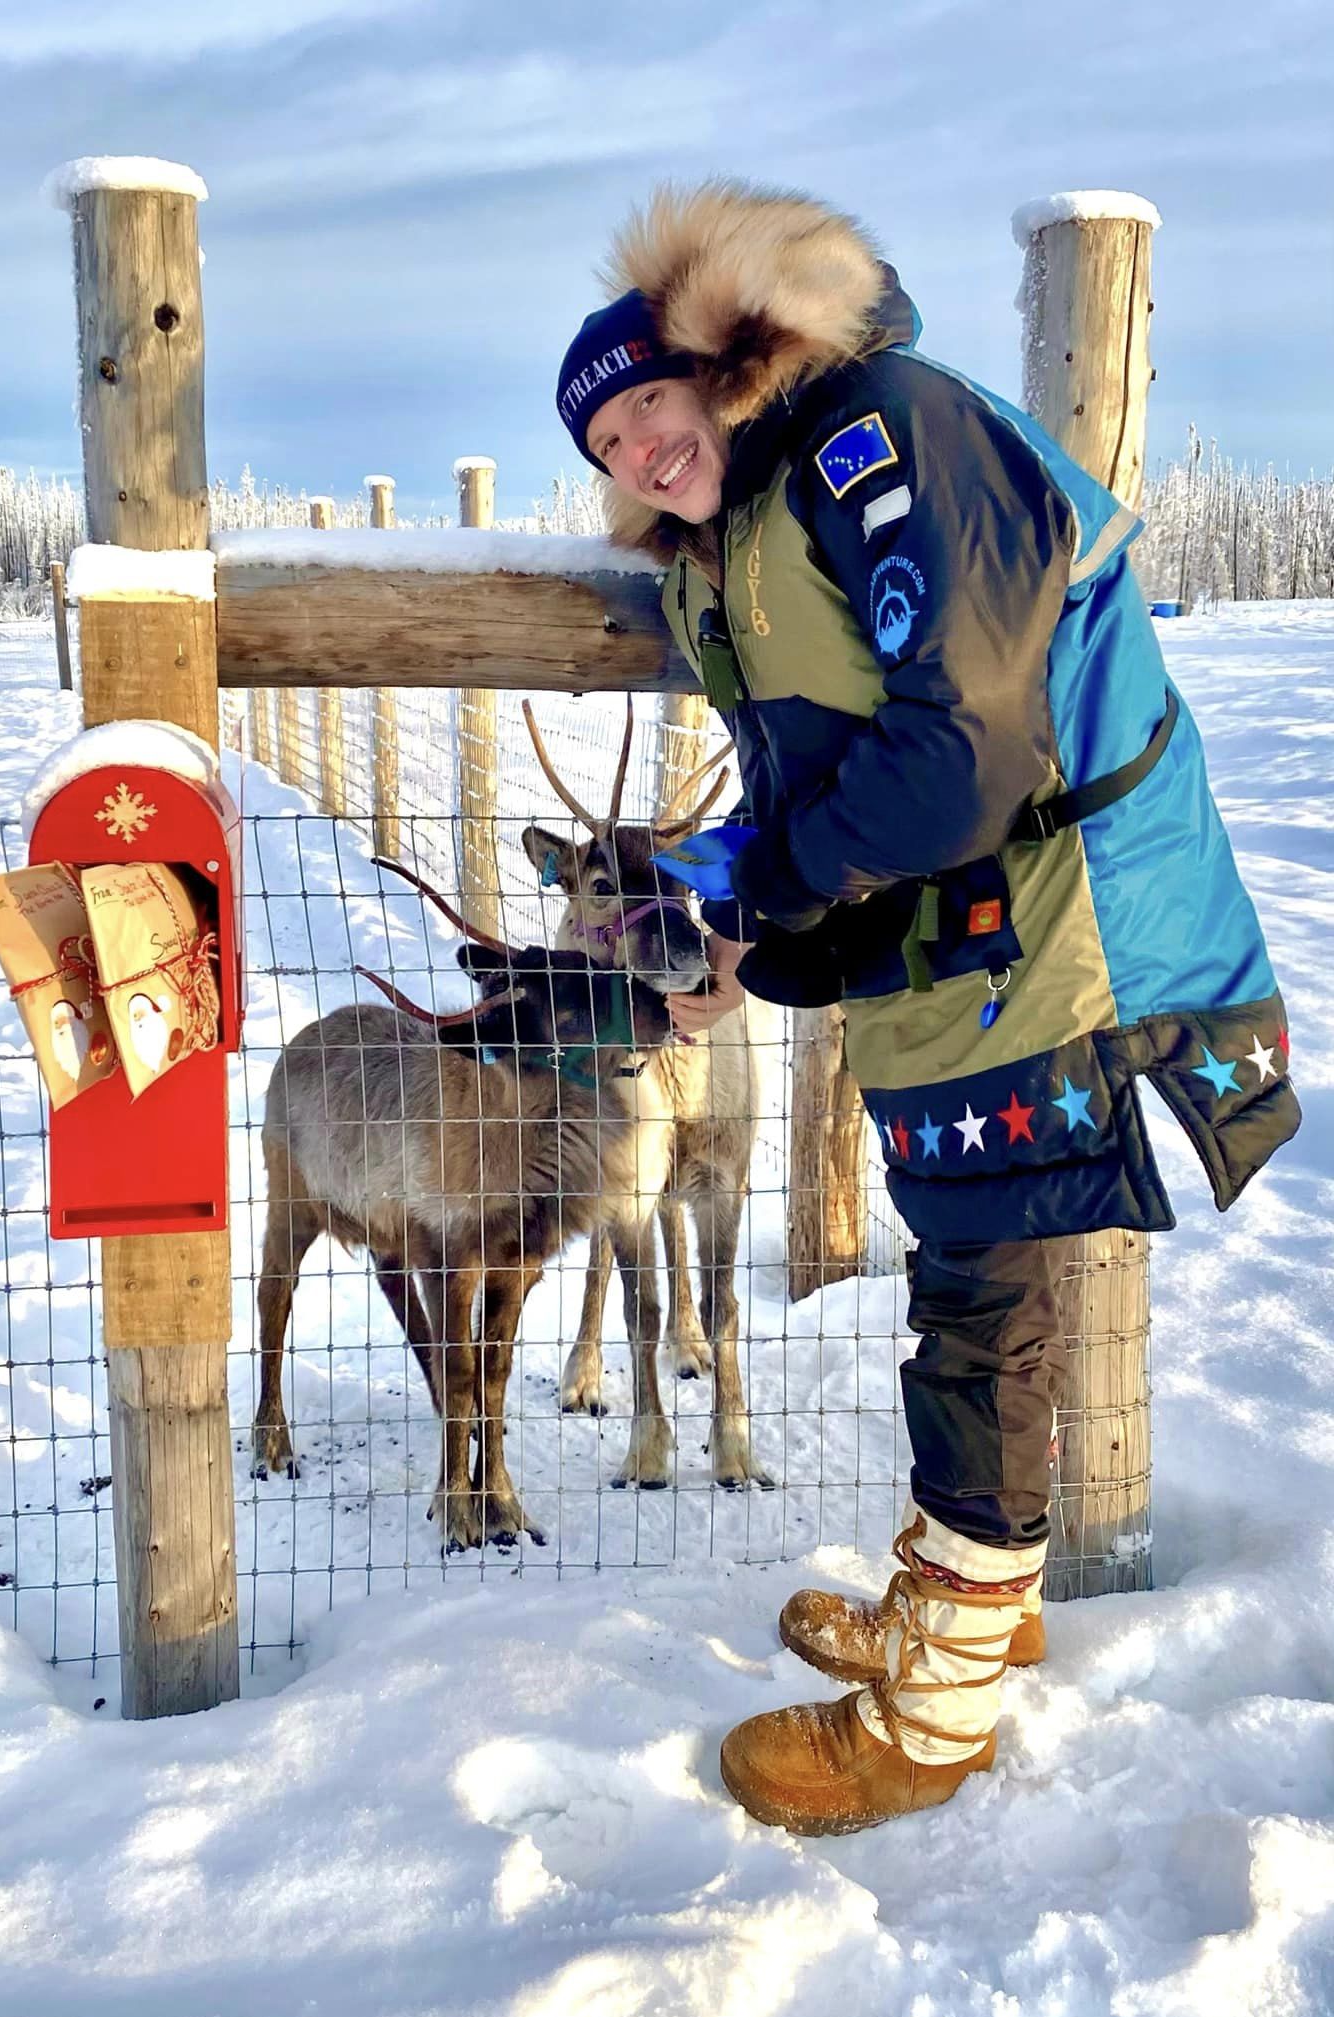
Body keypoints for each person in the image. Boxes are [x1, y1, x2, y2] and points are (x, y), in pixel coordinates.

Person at [555, 179, 1301, 1836]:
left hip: (1044, 931)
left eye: (646, 407)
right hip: (953, 949)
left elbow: (960, 751)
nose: (637, 455)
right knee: (973, 1282)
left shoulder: (880, 428)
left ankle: (940, 1709)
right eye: (604, 448)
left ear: (717, 365)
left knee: (984, 1307)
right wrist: (743, 932)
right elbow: (821, 777)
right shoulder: (754, 527)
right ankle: (967, 1599)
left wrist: (770, 898)